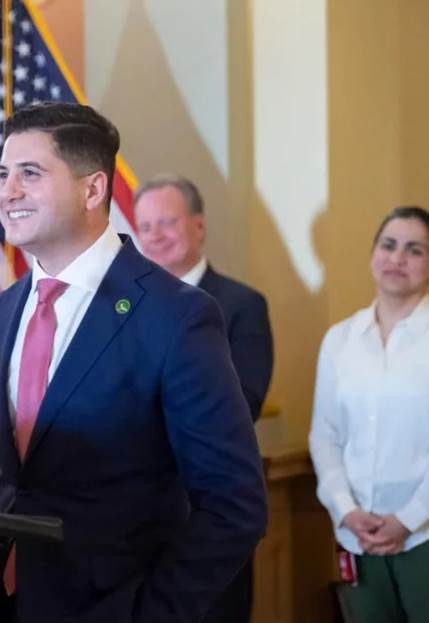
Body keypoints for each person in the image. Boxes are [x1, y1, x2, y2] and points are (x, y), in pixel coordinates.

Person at [0, 103, 267, 623]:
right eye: (3, 174)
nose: (7, 192)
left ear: (93, 190)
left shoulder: (176, 316)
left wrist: (147, 612)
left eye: (30, 173)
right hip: (2, 607)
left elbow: (233, 505)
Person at [133, 174, 274, 622]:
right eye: (146, 226)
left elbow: (243, 401)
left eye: (167, 223)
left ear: (198, 226)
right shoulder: (122, 306)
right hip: (132, 519)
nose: (155, 237)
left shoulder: (242, 305)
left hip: (209, 516)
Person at [309, 206, 429, 622]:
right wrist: (346, 510)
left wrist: (407, 520)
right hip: (356, 534)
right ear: (373, 253)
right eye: (388, 245)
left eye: (414, 250)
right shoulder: (340, 339)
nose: (397, 259)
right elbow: (325, 436)